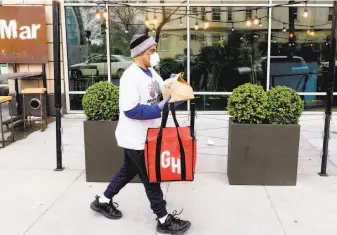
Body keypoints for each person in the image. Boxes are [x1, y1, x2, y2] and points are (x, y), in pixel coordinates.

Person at [90, 34, 191, 235]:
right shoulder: (130, 76)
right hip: (135, 137)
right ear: (139, 54)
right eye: (151, 51)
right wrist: (160, 107)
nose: (155, 55)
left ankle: (103, 201)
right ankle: (163, 219)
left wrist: (175, 90)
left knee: (128, 170)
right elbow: (131, 110)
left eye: (155, 51)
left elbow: (162, 93)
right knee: (151, 179)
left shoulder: (152, 72)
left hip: (147, 135)